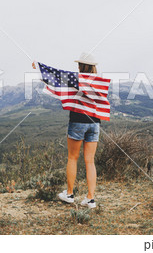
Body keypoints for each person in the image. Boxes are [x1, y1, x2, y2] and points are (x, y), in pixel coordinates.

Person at [32, 52, 102, 209]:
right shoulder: (98, 82)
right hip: (95, 123)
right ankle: (90, 199)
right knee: (90, 161)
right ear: (93, 67)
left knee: (73, 157)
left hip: (78, 121)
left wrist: (38, 65)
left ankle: (69, 194)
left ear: (80, 66)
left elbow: (54, 75)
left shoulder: (75, 78)